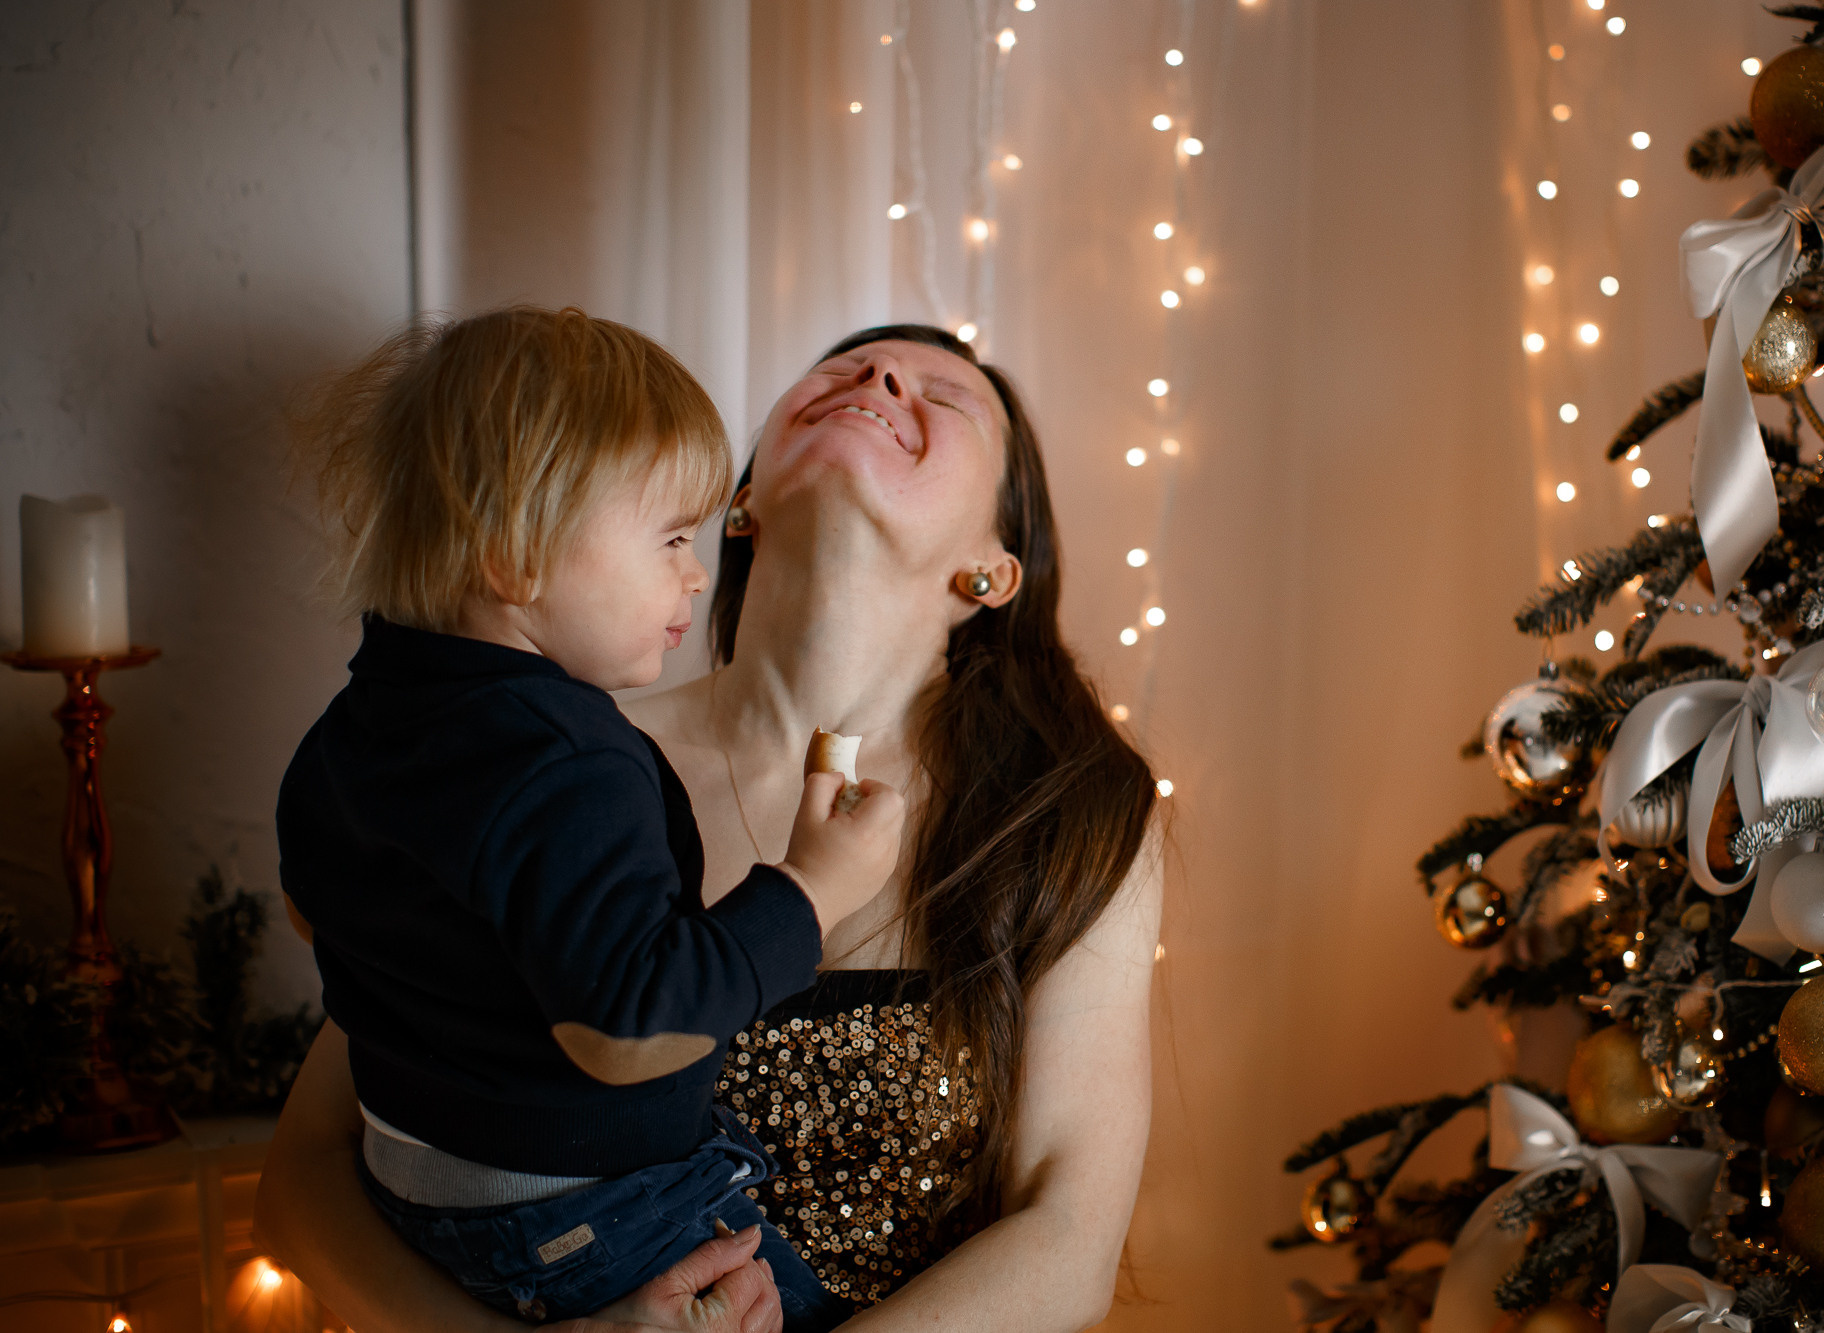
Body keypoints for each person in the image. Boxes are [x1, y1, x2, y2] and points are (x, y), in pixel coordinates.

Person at [256, 324, 1163, 1333]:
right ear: (737, 502)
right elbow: (310, 1174)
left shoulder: (1068, 810)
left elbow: (1070, 1235)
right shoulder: (544, 761)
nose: (879, 375)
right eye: (840, 370)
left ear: (993, 570)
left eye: (941, 397)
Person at [274, 307, 902, 1329]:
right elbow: (629, 1027)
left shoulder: (359, 721)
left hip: (425, 1201)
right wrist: (812, 887)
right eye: (667, 538)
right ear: (515, 553)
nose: (695, 574)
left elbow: (312, 906)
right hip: (596, 1218)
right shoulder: (567, 757)